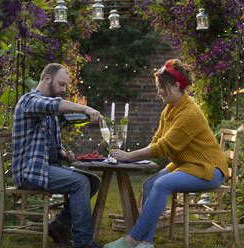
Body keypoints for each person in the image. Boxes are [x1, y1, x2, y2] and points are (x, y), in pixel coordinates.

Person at [104, 59, 228, 248]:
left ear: (176, 85)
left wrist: (129, 156)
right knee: (149, 184)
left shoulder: (189, 113)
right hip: (188, 165)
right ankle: (147, 243)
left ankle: (132, 239)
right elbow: (156, 140)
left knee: (161, 185)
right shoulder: (169, 110)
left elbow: (164, 148)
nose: (158, 92)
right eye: (158, 87)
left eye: (161, 87)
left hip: (209, 169)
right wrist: (136, 156)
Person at [12, 63, 103, 248]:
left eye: (65, 86)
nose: (63, 89)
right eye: (61, 84)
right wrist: (86, 109)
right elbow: (55, 105)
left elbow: (52, 143)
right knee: (80, 182)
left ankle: (60, 226)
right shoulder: (29, 101)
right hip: (30, 172)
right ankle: (83, 242)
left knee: (93, 181)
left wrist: (63, 153)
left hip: (46, 168)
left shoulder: (49, 111)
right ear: (47, 78)